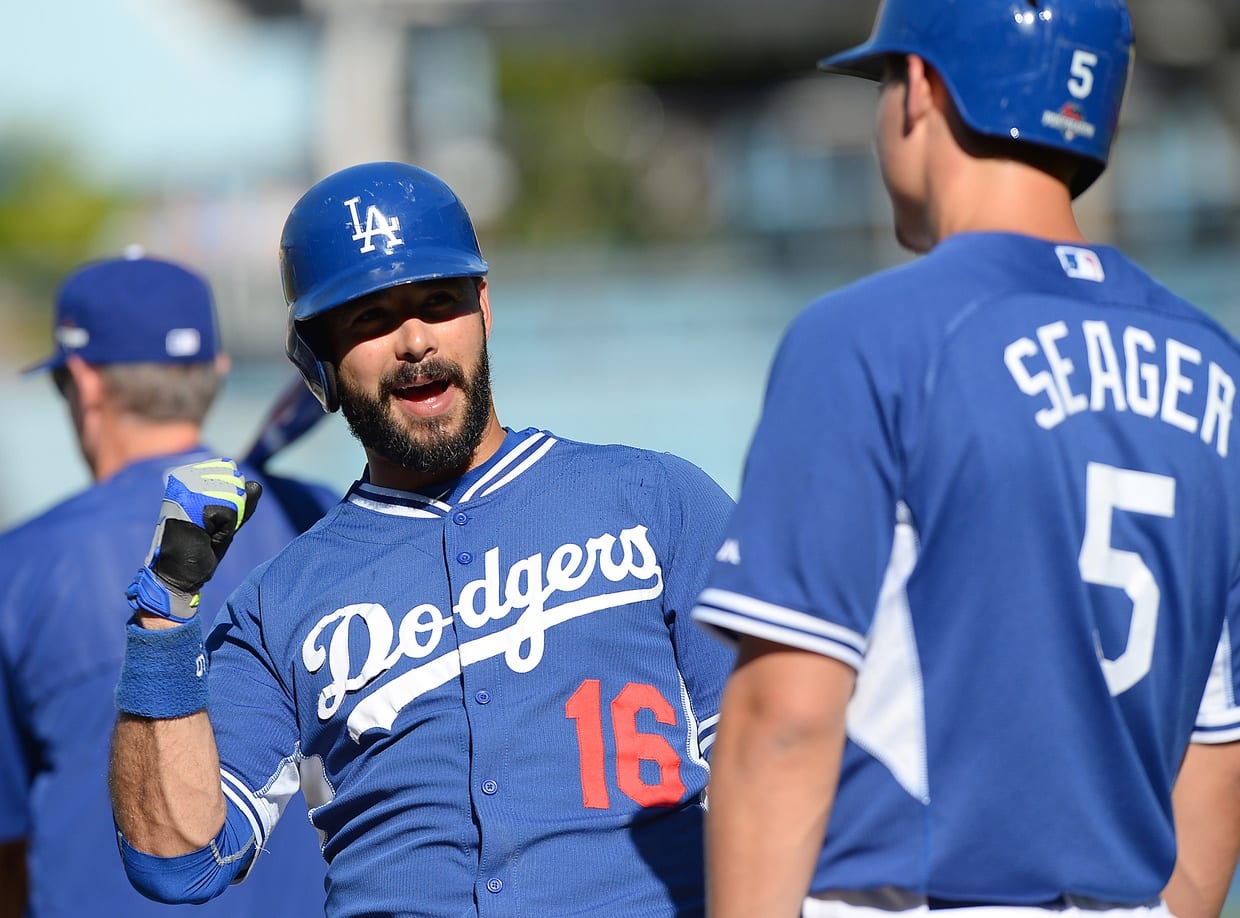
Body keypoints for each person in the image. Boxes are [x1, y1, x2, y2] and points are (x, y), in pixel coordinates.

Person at [689, 1, 1240, 916]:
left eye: (884, 81)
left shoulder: (868, 338)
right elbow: (1216, 756)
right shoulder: (1221, 369)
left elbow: (783, 722)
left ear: (924, 90)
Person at [105, 161, 737, 916]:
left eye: (437, 302)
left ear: (483, 308)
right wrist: (164, 615)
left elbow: (777, 759)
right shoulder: (280, 602)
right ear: (317, 359)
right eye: (369, 318)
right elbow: (178, 859)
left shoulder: (656, 501)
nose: (413, 340)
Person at [0, 252, 336, 918]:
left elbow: (6, 852)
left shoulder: (17, 568)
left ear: (86, 382)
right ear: (214, 372)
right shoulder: (323, 522)